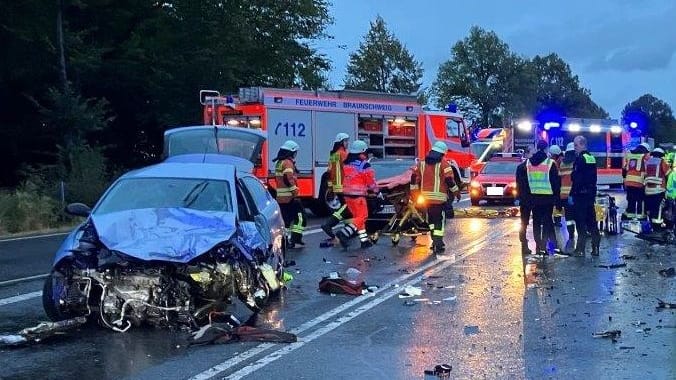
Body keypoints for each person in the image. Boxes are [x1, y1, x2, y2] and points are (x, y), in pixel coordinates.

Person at [410, 141, 461, 255]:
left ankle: (435, 242)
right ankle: (438, 243)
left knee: (431, 222)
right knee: (439, 223)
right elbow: (449, 181)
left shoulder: (421, 164)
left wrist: (414, 194)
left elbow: (414, 179)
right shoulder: (444, 164)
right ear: (443, 154)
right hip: (439, 200)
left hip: (425, 200)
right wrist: (457, 193)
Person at [516, 140, 560, 255]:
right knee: (546, 222)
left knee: (535, 222)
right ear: (546, 149)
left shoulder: (528, 164)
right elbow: (555, 183)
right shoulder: (550, 163)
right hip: (547, 198)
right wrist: (557, 199)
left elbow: (523, 182)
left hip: (533, 197)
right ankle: (543, 245)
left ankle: (538, 244)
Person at [336, 140, 379, 249]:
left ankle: (364, 241)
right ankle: (344, 233)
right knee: (362, 217)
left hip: (347, 195)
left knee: (358, 217)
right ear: (362, 152)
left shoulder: (346, 163)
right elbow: (370, 181)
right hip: (358, 195)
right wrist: (376, 191)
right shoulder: (364, 165)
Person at [570, 135, 601, 256]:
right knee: (592, 222)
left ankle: (580, 249)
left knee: (580, 223)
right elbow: (593, 178)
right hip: (590, 195)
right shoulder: (591, 158)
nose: (575, 148)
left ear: (582, 144)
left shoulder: (580, 159)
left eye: (576, 145)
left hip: (581, 196)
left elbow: (577, 179)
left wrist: (572, 193)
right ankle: (595, 248)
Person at [273, 140, 306, 248]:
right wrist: (294, 191)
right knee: (301, 218)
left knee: (286, 220)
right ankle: (295, 238)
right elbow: (288, 178)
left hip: (281, 198)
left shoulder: (279, 162)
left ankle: (285, 240)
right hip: (290, 197)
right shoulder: (287, 163)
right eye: (295, 152)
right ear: (291, 152)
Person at [321, 133, 352, 242]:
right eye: (346, 141)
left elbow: (329, 171)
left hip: (336, 186)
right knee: (347, 207)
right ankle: (329, 223)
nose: (347, 143)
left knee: (347, 208)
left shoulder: (333, 155)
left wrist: (330, 186)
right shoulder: (344, 154)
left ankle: (348, 228)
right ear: (341, 142)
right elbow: (350, 170)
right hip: (344, 186)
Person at [556, 142, 577, 253]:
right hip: (574, 195)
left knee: (569, 219)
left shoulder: (563, 163)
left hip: (564, 195)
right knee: (578, 216)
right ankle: (581, 237)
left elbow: (559, 180)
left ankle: (571, 236)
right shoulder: (577, 162)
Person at [644, 147, 671, 232]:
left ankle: (652, 226)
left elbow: (645, 174)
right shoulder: (661, 162)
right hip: (658, 190)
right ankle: (658, 228)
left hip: (648, 190)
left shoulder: (647, 162)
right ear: (661, 155)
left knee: (651, 208)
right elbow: (668, 173)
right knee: (658, 209)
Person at [622, 142, 650, 220]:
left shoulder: (629, 155)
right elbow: (648, 168)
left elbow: (624, 169)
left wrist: (624, 179)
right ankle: (641, 216)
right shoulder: (644, 156)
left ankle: (630, 215)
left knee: (631, 199)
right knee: (641, 200)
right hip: (639, 182)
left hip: (629, 181)